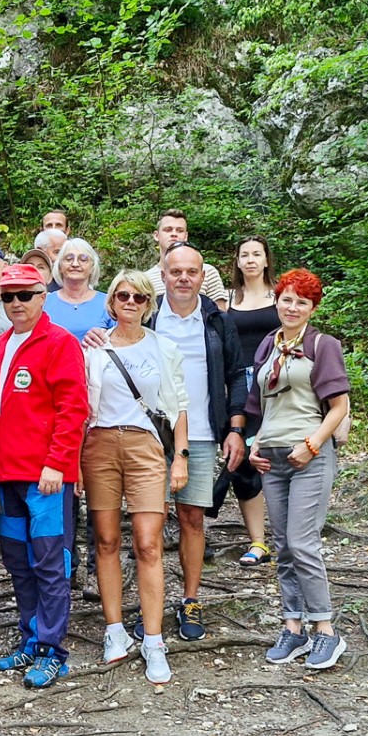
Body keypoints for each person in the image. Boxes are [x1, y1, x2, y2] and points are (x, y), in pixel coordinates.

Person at [230, 268, 352, 671]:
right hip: (272, 458)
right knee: (282, 546)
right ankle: (293, 627)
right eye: (287, 299)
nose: (293, 306)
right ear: (277, 301)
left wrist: (312, 444)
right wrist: (254, 445)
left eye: (302, 301)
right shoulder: (268, 344)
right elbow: (258, 404)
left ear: (313, 307)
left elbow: (339, 408)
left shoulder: (323, 344)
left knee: (302, 543)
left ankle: (326, 631)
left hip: (309, 456)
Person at [81, 271, 188, 684]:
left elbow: (179, 404)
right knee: (106, 540)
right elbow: (79, 405)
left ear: (148, 304)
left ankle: (154, 638)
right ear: (111, 302)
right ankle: (114, 631)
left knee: (148, 544)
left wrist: (180, 458)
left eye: (139, 297)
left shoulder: (164, 347)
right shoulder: (92, 346)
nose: (130, 302)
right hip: (100, 445)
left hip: (146, 446)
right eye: (123, 295)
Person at [0, 265, 88, 688]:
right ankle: (30, 637)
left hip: (45, 476)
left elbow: (73, 409)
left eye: (25, 295)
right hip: (6, 474)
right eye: (8, 296)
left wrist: (57, 463)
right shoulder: (1, 343)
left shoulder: (59, 342)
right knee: (18, 563)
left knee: (50, 563)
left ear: (43, 295)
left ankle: (52, 649)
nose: (16, 304)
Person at [147, 242, 249, 640]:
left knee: (191, 519)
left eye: (192, 272)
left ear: (202, 275)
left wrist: (236, 429)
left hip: (204, 433)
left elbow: (237, 373)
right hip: (150, 437)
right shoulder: (149, 313)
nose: (184, 279)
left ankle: (190, 599)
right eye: (176, 272)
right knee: (148, 524)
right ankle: (150, 603)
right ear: (165, 273)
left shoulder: (216, 319)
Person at [221, 235, 278, 566]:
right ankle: (257, 540)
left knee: (280, 453)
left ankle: (289, 536)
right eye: (245, 255)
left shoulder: (281, 294)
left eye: (257, 254)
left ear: (267, 259)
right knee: (241, 459)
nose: (252, 260)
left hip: (278, 383)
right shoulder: (228, 300)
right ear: (238, 262)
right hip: (239, 385)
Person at [144, 210, 228, 311]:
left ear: (186, 236)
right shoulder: (146, 279)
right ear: (156, 236)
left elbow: (220, 316)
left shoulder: (208, 272)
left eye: (179, 230)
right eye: (168, 230)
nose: (174, 234)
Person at [44, 238, 111, 340]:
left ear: (92, 267)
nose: (75, 264)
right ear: (60, 266)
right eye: (68, 259)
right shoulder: (44, 302)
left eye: (83, 259)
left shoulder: (108, 303)